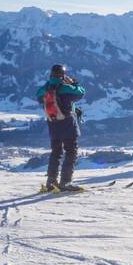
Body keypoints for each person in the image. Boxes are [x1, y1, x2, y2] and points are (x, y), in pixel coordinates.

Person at [35, 64, 85, 193]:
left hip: (53, 124)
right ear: (62, 75)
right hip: (68, 123)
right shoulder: (65, 88)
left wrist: (50, 83)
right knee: (71, 151)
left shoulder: (45, 89)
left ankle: (51, 182)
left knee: (56, 153)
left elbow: (38, 96)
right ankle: (65, 182)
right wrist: (74, 83)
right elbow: (81, 93)